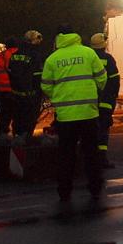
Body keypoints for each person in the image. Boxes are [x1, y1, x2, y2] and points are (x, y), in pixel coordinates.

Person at [41, 24, 106, 202]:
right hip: (88, 113)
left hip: (66, 116)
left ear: (59, 38)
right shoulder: (88, 53)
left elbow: (46, 84)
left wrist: (58, 99)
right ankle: (95, 188)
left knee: (66, 155)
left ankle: (64, 191)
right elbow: (102, 76)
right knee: (91, 153)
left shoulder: (53, 59)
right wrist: (94, 93)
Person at [8, 31, 45, 145]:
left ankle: (16, 142)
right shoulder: (35, 55)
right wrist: (40, 92)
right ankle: (25, 145)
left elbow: (11, 73)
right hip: (31, 96)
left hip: (15, 95)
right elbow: (37, 75)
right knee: (28, 122)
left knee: (17, 120)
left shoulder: (15, 54)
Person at [89, 32, 120, 169]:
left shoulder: (87, 59)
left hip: (89, 102)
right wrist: (112, 99)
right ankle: (102, 159)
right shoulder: (108, 59)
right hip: (105, 101)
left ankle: (89, 158)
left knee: (89, 131)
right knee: (103, 130)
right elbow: (115, 81)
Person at [0, 38, 16, 144]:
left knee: (3, 115)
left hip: (3, 91)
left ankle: (1, 136)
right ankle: (17, 137)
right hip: (16, 91)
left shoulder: (0, 57)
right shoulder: (19, 55)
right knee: (17, 115)